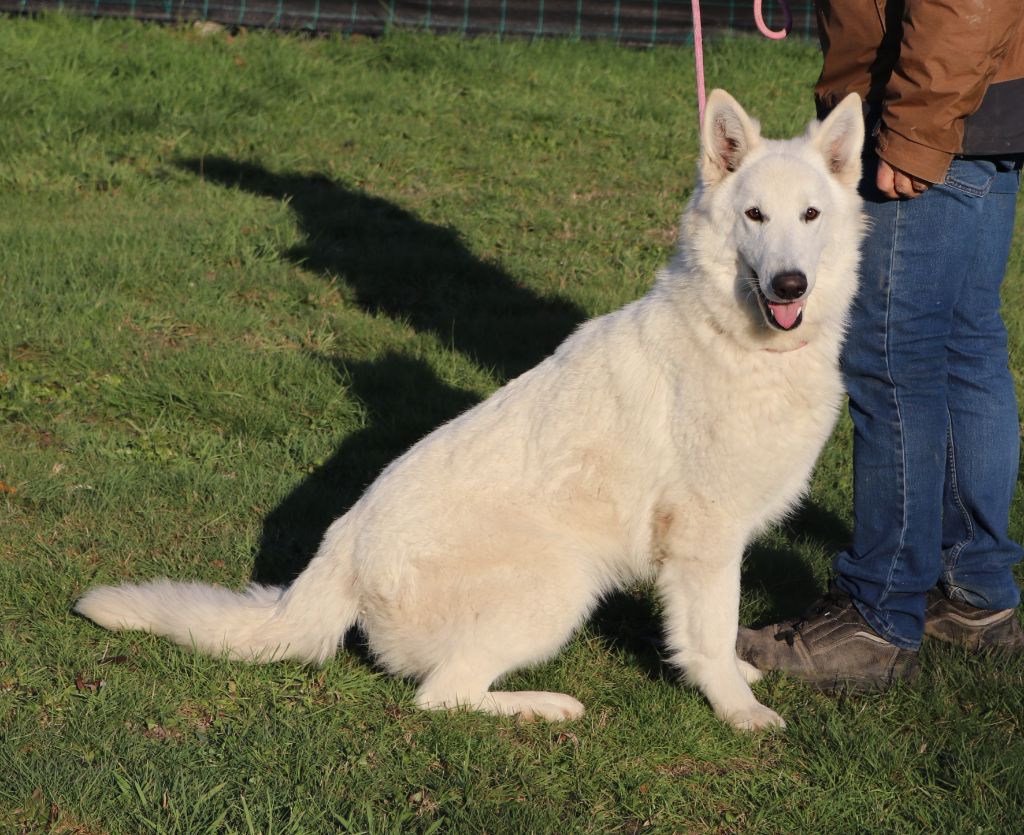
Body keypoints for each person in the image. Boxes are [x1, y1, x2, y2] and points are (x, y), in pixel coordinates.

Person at [737, 0, 1024, 691]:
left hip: (928, 104)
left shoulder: (921, 114)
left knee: (894, 356)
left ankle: (879, 614)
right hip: (986, 98)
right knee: (964, 343)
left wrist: (918, 127)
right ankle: (973, 592)